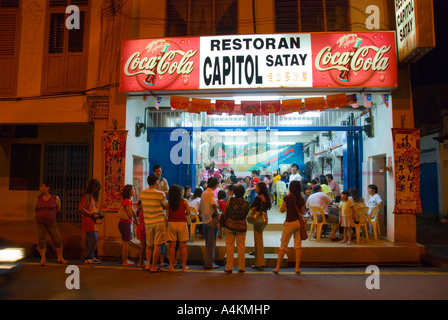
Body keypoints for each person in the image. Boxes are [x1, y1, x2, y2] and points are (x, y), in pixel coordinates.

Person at [273, 180, 305, 274]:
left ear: (290, 188)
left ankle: (277, 268)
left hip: (289, 223)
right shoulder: (301, 199)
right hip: (298, 223)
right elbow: (302, 212)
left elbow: (282, 210)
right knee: (298, 246)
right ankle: (297, 268)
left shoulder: (287, 198)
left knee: (283, 245)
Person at [140, 174, 168, 273]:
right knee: (157, 245)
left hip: (148, 222)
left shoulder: (142, 193)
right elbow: (165, 205)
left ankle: (148, 264)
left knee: (149, 244)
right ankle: (154, 266)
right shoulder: (160, 194)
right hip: (159, 222)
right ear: (156, 182)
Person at [35, 182, 68, 266]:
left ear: (48, 188)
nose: (41, 188)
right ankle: (43, 258)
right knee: (41, 239)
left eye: (43, 186)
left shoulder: (55, 198)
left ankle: (60, 257)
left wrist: (50, 215)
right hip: (40, 222)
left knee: (57, 239)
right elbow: (36, 209)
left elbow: (58, 209)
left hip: (51, 222)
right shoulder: (38, 198)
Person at [223, 184, 250, 273]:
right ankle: (241, 267)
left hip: (230, 226)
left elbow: (226, 211)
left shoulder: (230, 201)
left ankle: (229, 267)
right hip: (241, 227)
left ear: (234, 192)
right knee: (241, 247)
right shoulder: (246, 203)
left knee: (230, 247)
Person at [78, 179, 102, 266]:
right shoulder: (87, 196)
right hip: (88, 220)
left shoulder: (91, 196)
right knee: (93, 239)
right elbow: (81, 208)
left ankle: (90, 256)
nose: (96, 190)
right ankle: (88, 257)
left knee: (90, 239)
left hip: (92, 220)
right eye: (96, 187)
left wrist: (97, 214)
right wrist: (91, 214)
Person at [167, 184, 190, 271]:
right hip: (182, 224)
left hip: (172, 223)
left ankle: (171, 266)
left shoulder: (169, 202)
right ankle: (184, 266)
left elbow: (168, 214)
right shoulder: (184, 201)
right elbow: (188, 212)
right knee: (183, 246)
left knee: (172, 246)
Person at [201, 177, 221, 269]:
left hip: (205, 220)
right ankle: (209, 263)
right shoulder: (212, 193)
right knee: (211, 243)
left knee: (207, 243)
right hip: (211, 220)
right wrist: (217, 214)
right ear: (216, 185)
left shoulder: (204, 192)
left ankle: (208, 262)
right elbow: (213, 204)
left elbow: (201, 206)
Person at [250, 182, 271, 270]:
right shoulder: (266, 197)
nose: (255, 188)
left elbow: (252, 207)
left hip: (258, 220)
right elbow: (268, 207)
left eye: (257, 187)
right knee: (259, 237)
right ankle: (256, 251)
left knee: (258, 239)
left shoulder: (258, 198)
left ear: (260, 188)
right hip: (264, 219)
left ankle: (259, 262)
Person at [119, 185, 138, 266]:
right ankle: (125, 261)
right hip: (125, 223)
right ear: (130, 191)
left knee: (125, 242)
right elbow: (130, 214)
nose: (134, 190)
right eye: (133, 189)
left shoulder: (128, 200)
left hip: (124, 223)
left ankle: (125, 260)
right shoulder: (127, 201)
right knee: (126, 243)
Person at [135, 200, 147, 268]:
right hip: (142, 229)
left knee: (143, 246)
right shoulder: (142, 210)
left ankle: (142, 261)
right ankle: (141, 262)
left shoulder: (140, 211)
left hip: (141, 228)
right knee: (143, 246)